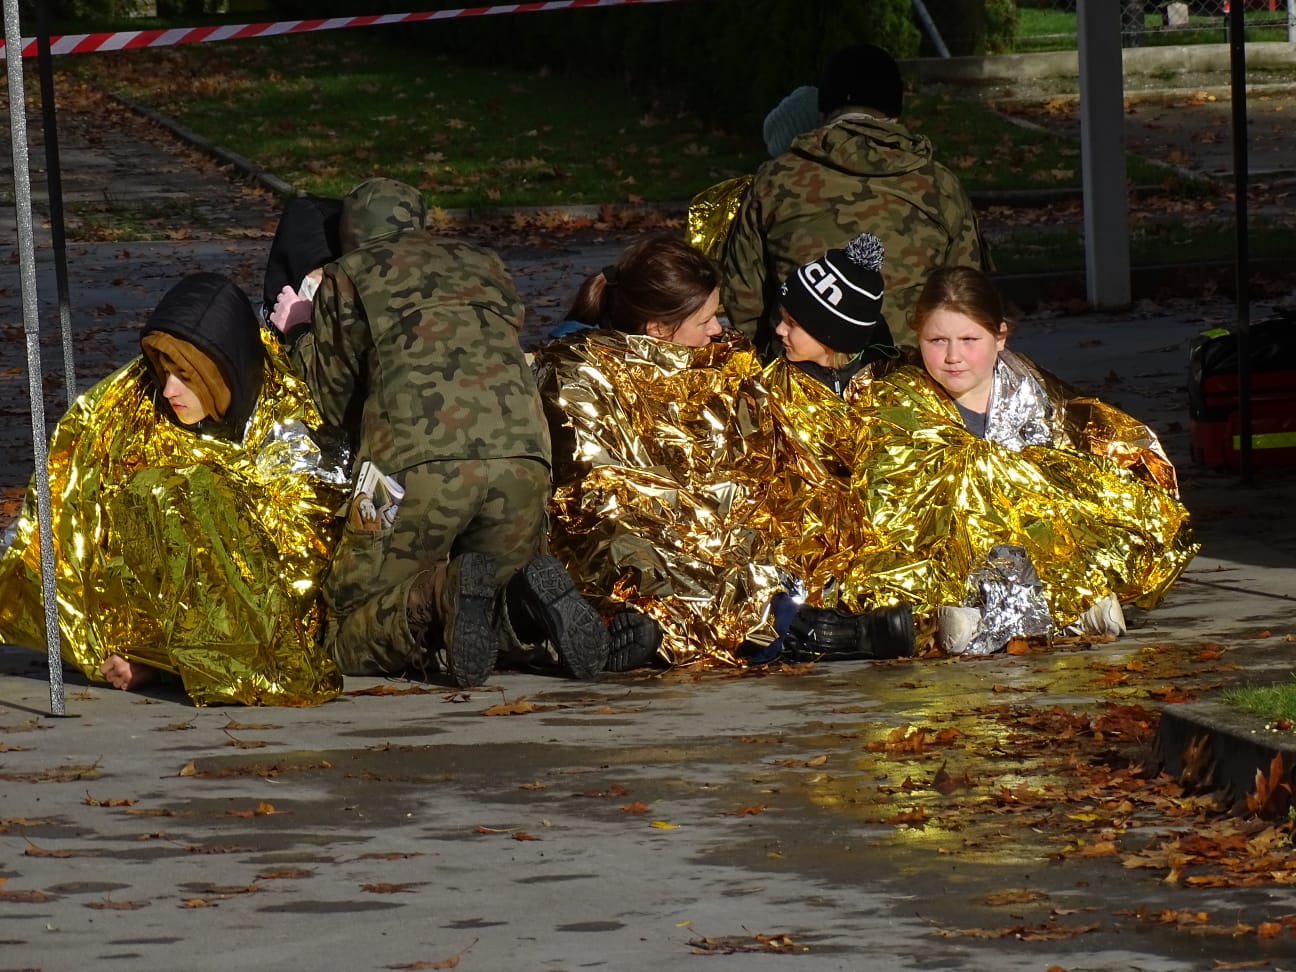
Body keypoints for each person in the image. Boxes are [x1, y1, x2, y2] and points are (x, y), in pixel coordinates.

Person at [269, 176, 608, 688]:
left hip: (401, 468)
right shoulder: (485, 263)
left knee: (342, 626)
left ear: (350, 234)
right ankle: (525, 607)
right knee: (493, 602)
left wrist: (299, 328)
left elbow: (333, 402)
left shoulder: (347, 274)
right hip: (523, 455)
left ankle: (435, 594)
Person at [771, 262, 1198, 656]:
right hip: (941, 544)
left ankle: (1025, 610)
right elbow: (890, 499)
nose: (953, 356)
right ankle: (1043, 613)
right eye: (937, 341)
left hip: (1036, 536)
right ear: (917, 337)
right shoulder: (899, 399)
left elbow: (1074, 456)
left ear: (1000, 337)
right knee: (970, 477)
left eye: (969, 340)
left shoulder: (1026, 386)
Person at [535, 236, 913, 671]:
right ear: (657, 329)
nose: (718, 329)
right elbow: (599, 491)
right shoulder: (579, 371)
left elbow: (759, 450)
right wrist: (697, 520)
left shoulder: (719, 357)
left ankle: (768, 621)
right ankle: (803, 630)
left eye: (719, 314)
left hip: (725, 526)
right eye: (706, 320)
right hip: (641, 534)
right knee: (654, 558)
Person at [0, 272, 346, 706]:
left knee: (186, 489)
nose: (168, 389)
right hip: (136, 610)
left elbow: (297, 568)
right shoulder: (137, 403)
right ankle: (164, 656)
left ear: (222, 373)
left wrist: (164, 661)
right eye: (164, 371)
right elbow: (71, 497)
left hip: (254, 609)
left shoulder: (286, 424)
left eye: (185, 375)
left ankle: (175, 662)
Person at [720, 42, 989, 359]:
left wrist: (771, 361)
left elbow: (744, 299)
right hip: (908, 377)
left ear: (824, 111)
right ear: (895, 112)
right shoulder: (940, 185)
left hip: (799, 377)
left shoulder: (775, 180)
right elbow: (969, 295)